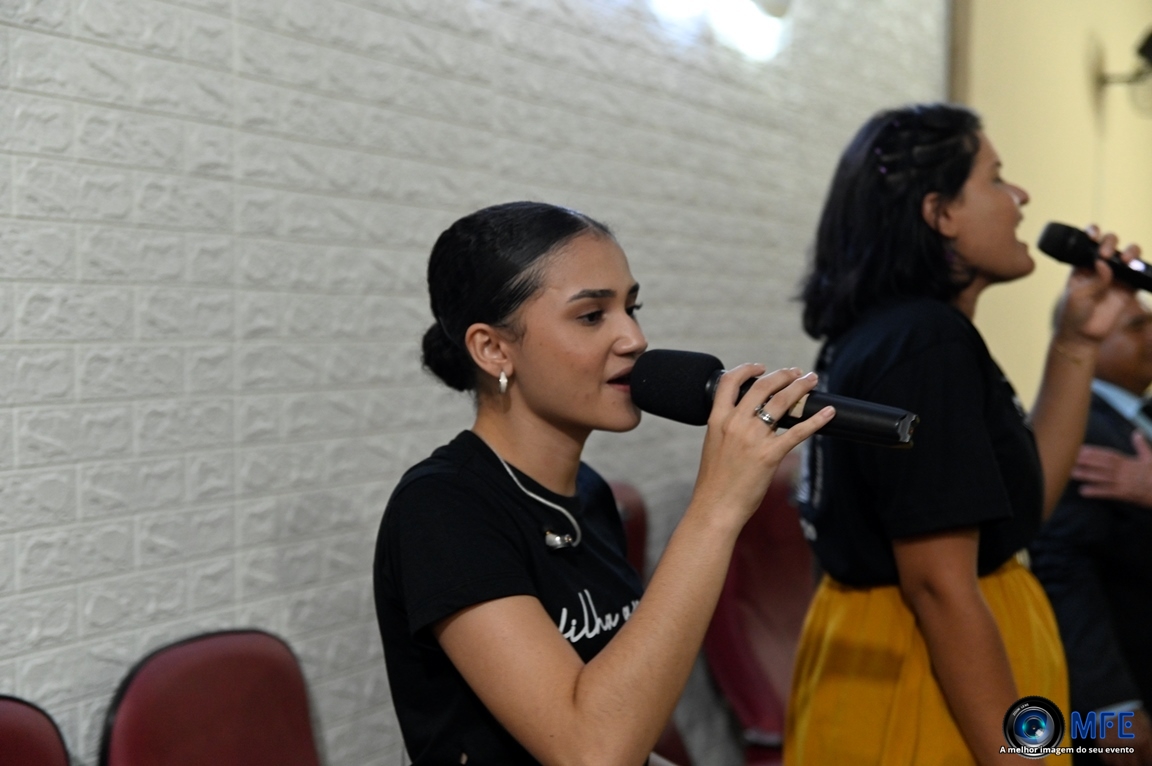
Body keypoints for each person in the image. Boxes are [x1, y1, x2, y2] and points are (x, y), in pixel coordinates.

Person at [373, 201, 835, 766]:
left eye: (632, 308)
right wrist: (717, 508)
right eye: (592, 316)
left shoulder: (590, 494)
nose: (634, 338)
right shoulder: (443, 508)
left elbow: (629, 717)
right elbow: (592, 751)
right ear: (493, 348)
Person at [788, 103, 1140, 765]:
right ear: (941, 212)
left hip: (926, 662)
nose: (1020, 197)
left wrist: (1077, 339)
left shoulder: (898, 333)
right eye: (996, 178)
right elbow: (939, 586)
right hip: (929, 681)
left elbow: (1022, 506)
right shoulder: (923, 343)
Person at [1031, 294, 1152, 766]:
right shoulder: (1077, 432)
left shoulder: (1137, 421)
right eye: (1136, 326)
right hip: (1126, 686)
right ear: (1092, 334)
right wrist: (1112, 706)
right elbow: (1063, 570)